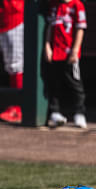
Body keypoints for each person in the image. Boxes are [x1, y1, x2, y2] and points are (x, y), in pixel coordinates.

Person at [44, 0, 88, 129]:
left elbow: (80, 29)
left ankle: (80, 113)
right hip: (56, 52)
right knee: (54, 83)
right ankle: (55, 112)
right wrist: (47, 46)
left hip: (70, 54)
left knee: (75, 84)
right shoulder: (54, 5)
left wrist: (75, 50)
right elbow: (50, 27)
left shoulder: (77, 5)